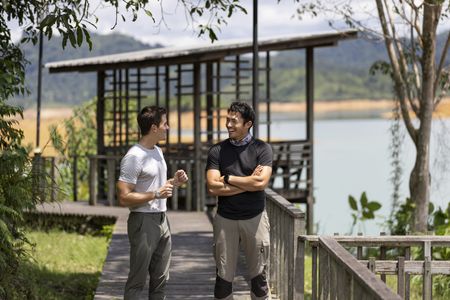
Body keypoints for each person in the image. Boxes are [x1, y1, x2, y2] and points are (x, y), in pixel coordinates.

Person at [117, 105, 188, 300]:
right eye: (165, 123)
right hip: (143, 222)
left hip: (162, 220)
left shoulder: (157, 151)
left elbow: (157, 187)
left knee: (161, 280)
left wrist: (175, 182)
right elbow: (123, 197)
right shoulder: (133, 157)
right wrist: (155, 194)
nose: (168, 127)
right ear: (154, 128)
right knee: (137, 281)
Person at [206, 101, 273, 300]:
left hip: (256, 218)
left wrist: (228, 178)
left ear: (248, 124)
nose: (228, 125)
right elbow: (211, 186)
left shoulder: (263, 148)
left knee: (259, 282)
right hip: (225, 220)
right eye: (227, 120)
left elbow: (261, 183)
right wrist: (248, 182)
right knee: (222, 282)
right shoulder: (217, 151)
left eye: (234, 121)